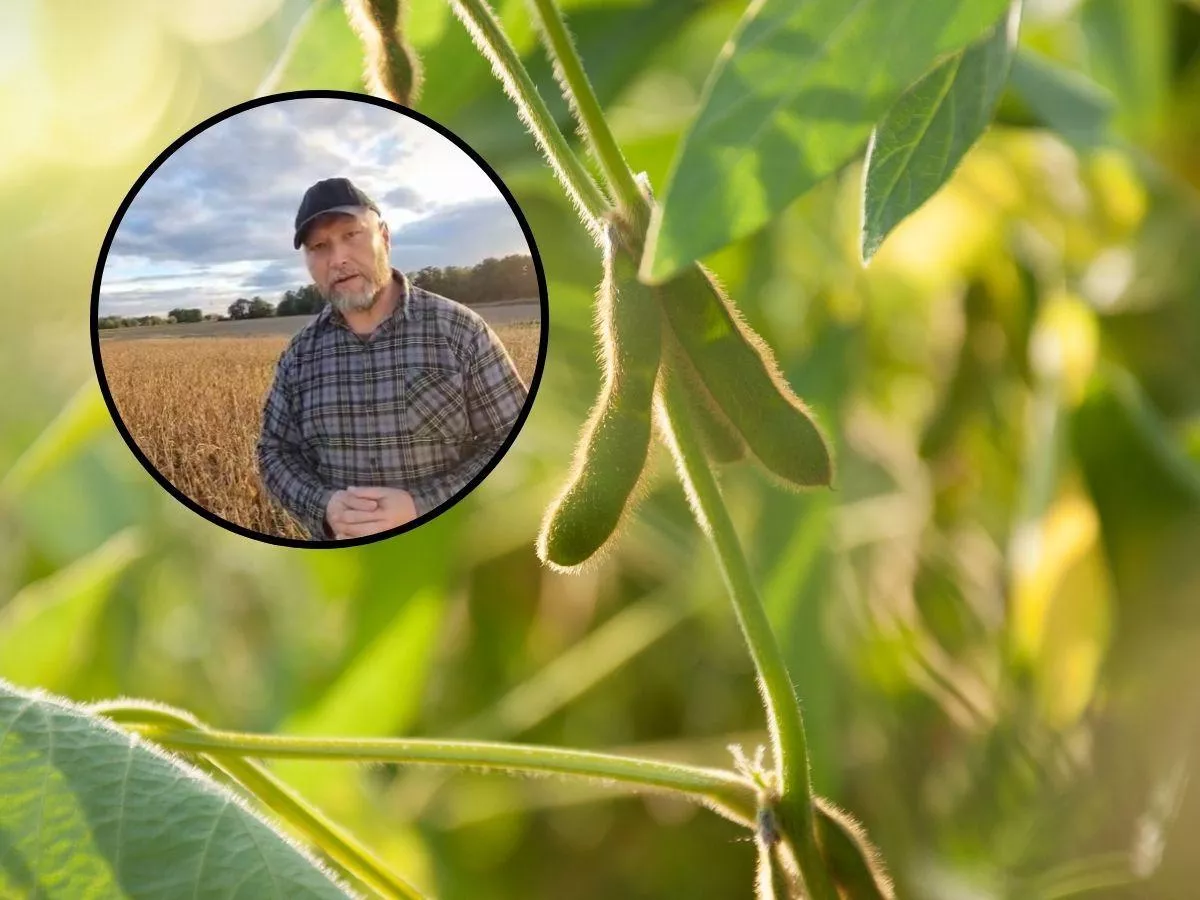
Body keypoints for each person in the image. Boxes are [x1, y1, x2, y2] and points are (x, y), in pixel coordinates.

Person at [257, 177, 529, 541]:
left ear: (384, 237)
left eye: (351, 235)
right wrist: (325, 506)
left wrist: (424, 505)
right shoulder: (300, 356)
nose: (337, 258)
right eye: (319, 246)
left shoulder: (460, 331)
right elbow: (274, 452)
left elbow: (515, 438)